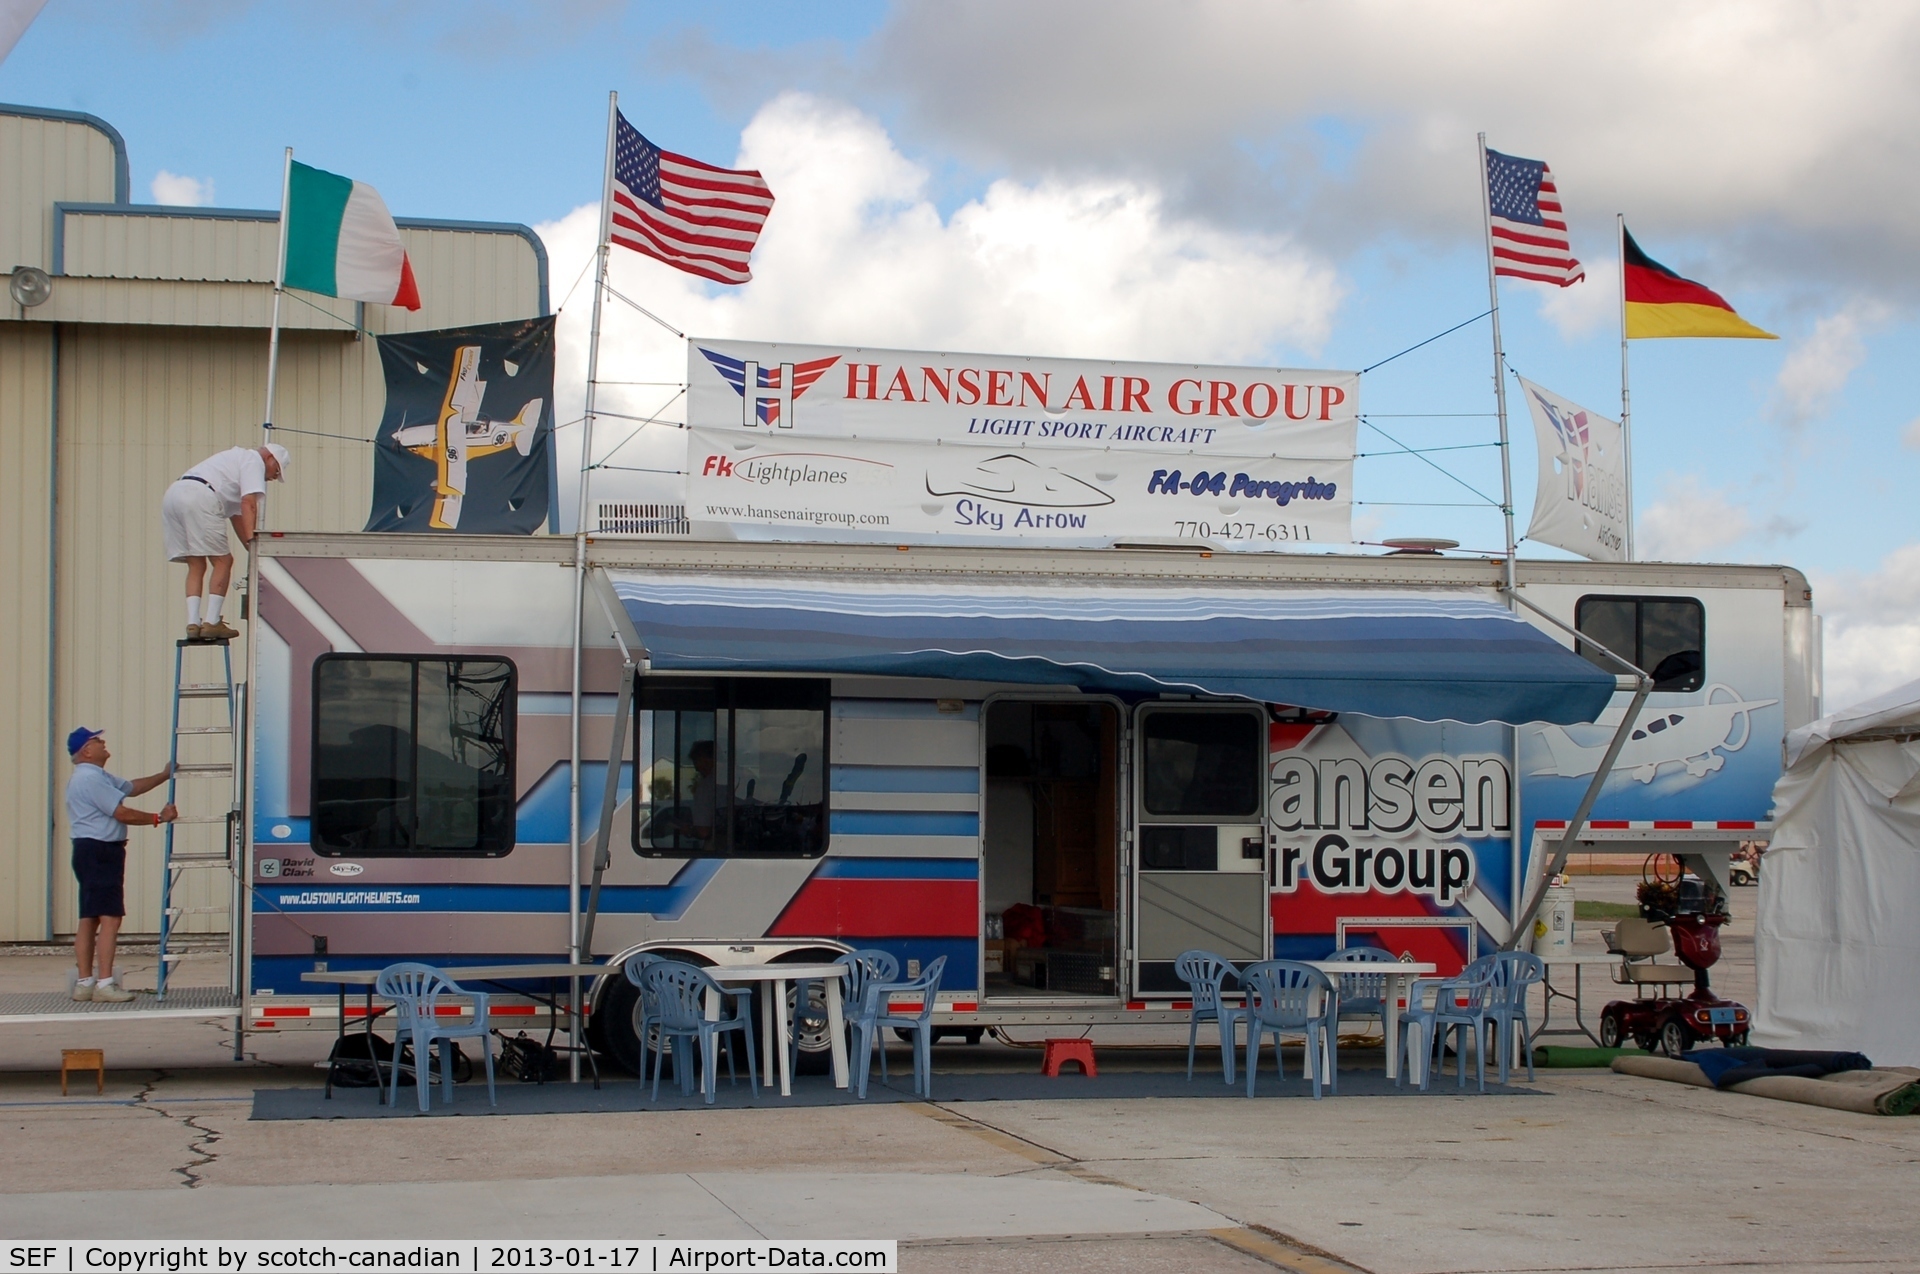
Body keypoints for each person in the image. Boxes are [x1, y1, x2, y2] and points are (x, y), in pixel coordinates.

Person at [64, 727, 176, 1002]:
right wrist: (158, 818)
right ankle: (105, 983)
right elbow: (121, 812)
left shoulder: (96, 776)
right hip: (101, 850)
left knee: (89, 917)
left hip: (88, 849)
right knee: (110, 917)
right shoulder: (90, 779)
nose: (103, 742)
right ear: (86, 751)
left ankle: (85, 982)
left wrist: (164, 774)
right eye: (96, 740)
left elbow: (131, 788)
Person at [160, 442, 288, 641]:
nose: (272, 477)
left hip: (174, 494)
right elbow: (249, 504)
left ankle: (193, 623)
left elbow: (238, 517)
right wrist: (253, 541)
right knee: (223, 561)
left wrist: (251, 548)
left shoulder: (233, 462)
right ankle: (211, 622)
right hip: (201, 496)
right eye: (276, 470)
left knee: (196, 563)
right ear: (269, 458)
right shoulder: (253, 461)